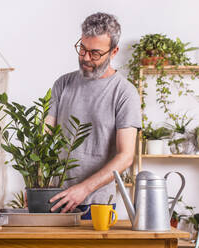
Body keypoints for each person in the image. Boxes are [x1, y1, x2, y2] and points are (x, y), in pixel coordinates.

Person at [47, 12, 141, 219]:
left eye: (95, 53)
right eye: (82, 49)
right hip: (54, 200)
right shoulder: (62, 84)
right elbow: (45, 139)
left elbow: (126, 156)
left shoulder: (125, 93)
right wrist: (37, 184)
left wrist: (83, 189)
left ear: (114, 51)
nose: (86, 58)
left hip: (97, 206)